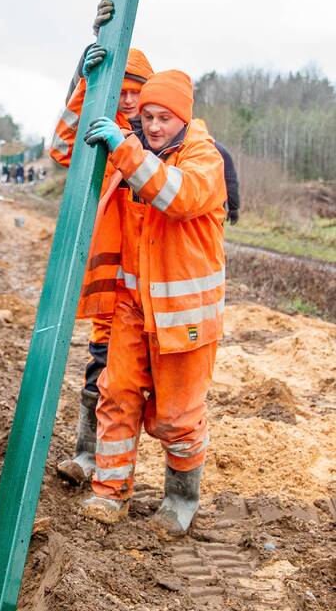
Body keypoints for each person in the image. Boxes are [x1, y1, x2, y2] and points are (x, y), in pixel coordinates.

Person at [80, 68, 227, 539]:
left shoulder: (204, 157)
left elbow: (178, 195)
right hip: (132, 305)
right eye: (147, 116)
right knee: (117, 393)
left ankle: (181, 499)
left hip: (184, 317)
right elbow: (65, 148)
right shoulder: (135, 150)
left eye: (165, 117)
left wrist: (126, 150)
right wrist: (86, 79)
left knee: (176, 416)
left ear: (183, 118)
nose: (155, 125)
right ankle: (109, 490)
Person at [50, 0, 155, 486]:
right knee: (99, 372)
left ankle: (135, 473)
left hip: (155, 292)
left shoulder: (156, 142)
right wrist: (86, 82)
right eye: (121, 89)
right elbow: (61, 148)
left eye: (136, 91)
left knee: (151, 392)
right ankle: (88, 457)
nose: (128, 100)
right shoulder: (102, 134)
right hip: (113, 287)